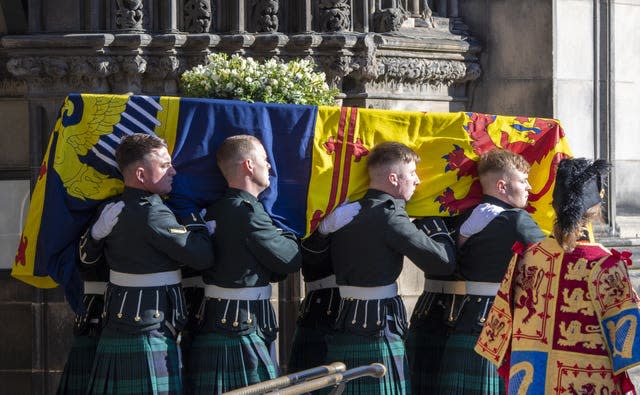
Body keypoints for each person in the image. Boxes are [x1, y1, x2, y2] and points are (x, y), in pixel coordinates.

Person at [475, 158, 640, 394]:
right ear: (596, 210)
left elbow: (498, 331)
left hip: (530, 382)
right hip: (590, 383)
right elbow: (628, 341)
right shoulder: (606, 264)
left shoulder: (525, 257)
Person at [79, 133, 215, 395]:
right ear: (141, 174)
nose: (173, 171)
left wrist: (94, 236)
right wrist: (197, 224)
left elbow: (86, 264)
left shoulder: (111, 209)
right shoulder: (154, 213)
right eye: (165, 165)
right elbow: (203, 257)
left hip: (118, 323)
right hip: (150, 328)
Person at [320, 141, 457, 395]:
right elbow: (442, 263)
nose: (417, 181)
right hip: (378, 323)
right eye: (412, 174)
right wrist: (435, 227)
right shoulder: (389, 215)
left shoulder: (347, 211)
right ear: (394, 178)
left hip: (344, 318)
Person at [407, 148, 545, 394]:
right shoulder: (516, 219)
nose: (530, 188)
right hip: (496, 322)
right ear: (501, 186)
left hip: (455, 320)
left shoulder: (454, 217)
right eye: (523, 181)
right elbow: (551, 260)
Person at [186, 135, 301, 394]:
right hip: (241, 322)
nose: (270, 166)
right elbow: (290, 260)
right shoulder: (246, 212)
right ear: (249, 165)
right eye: (264, 159)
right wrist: (289, 229)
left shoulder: (218, 208)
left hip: (226, 317)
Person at [288, 201, 361, 374]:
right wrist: (321, 232)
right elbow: (300, 258)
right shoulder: (318, 193)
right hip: (321, 312)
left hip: (364, 315)